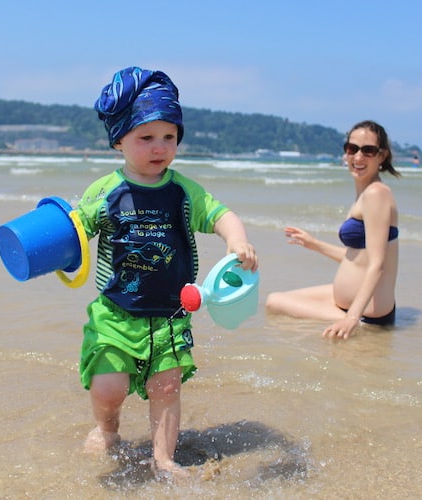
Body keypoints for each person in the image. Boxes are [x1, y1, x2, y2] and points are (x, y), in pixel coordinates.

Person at [77, 66, 258, 479]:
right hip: (116, 311)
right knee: (108, 388)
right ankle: (107, 428)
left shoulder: (182, 191)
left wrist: (237, 240)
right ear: (119, 140)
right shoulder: (106, 191)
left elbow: (220, 214)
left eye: (169, 137)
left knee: (166, 387)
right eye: (146, 138)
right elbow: (76, 229)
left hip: (171, 314)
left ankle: (164, 458)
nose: (159, 148)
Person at [266, 120, 400, 340]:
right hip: (352, 304)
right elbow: (357, 260)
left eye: (368, 150)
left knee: (274, 301)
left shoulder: (377, 194)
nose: (358, 157)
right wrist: (315, 244)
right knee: (280, 300)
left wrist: (351, 319)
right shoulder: (366, 193)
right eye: (352, 148)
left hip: (367, 315)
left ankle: (368, 331)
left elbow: (378, 264)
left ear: (382, 156)